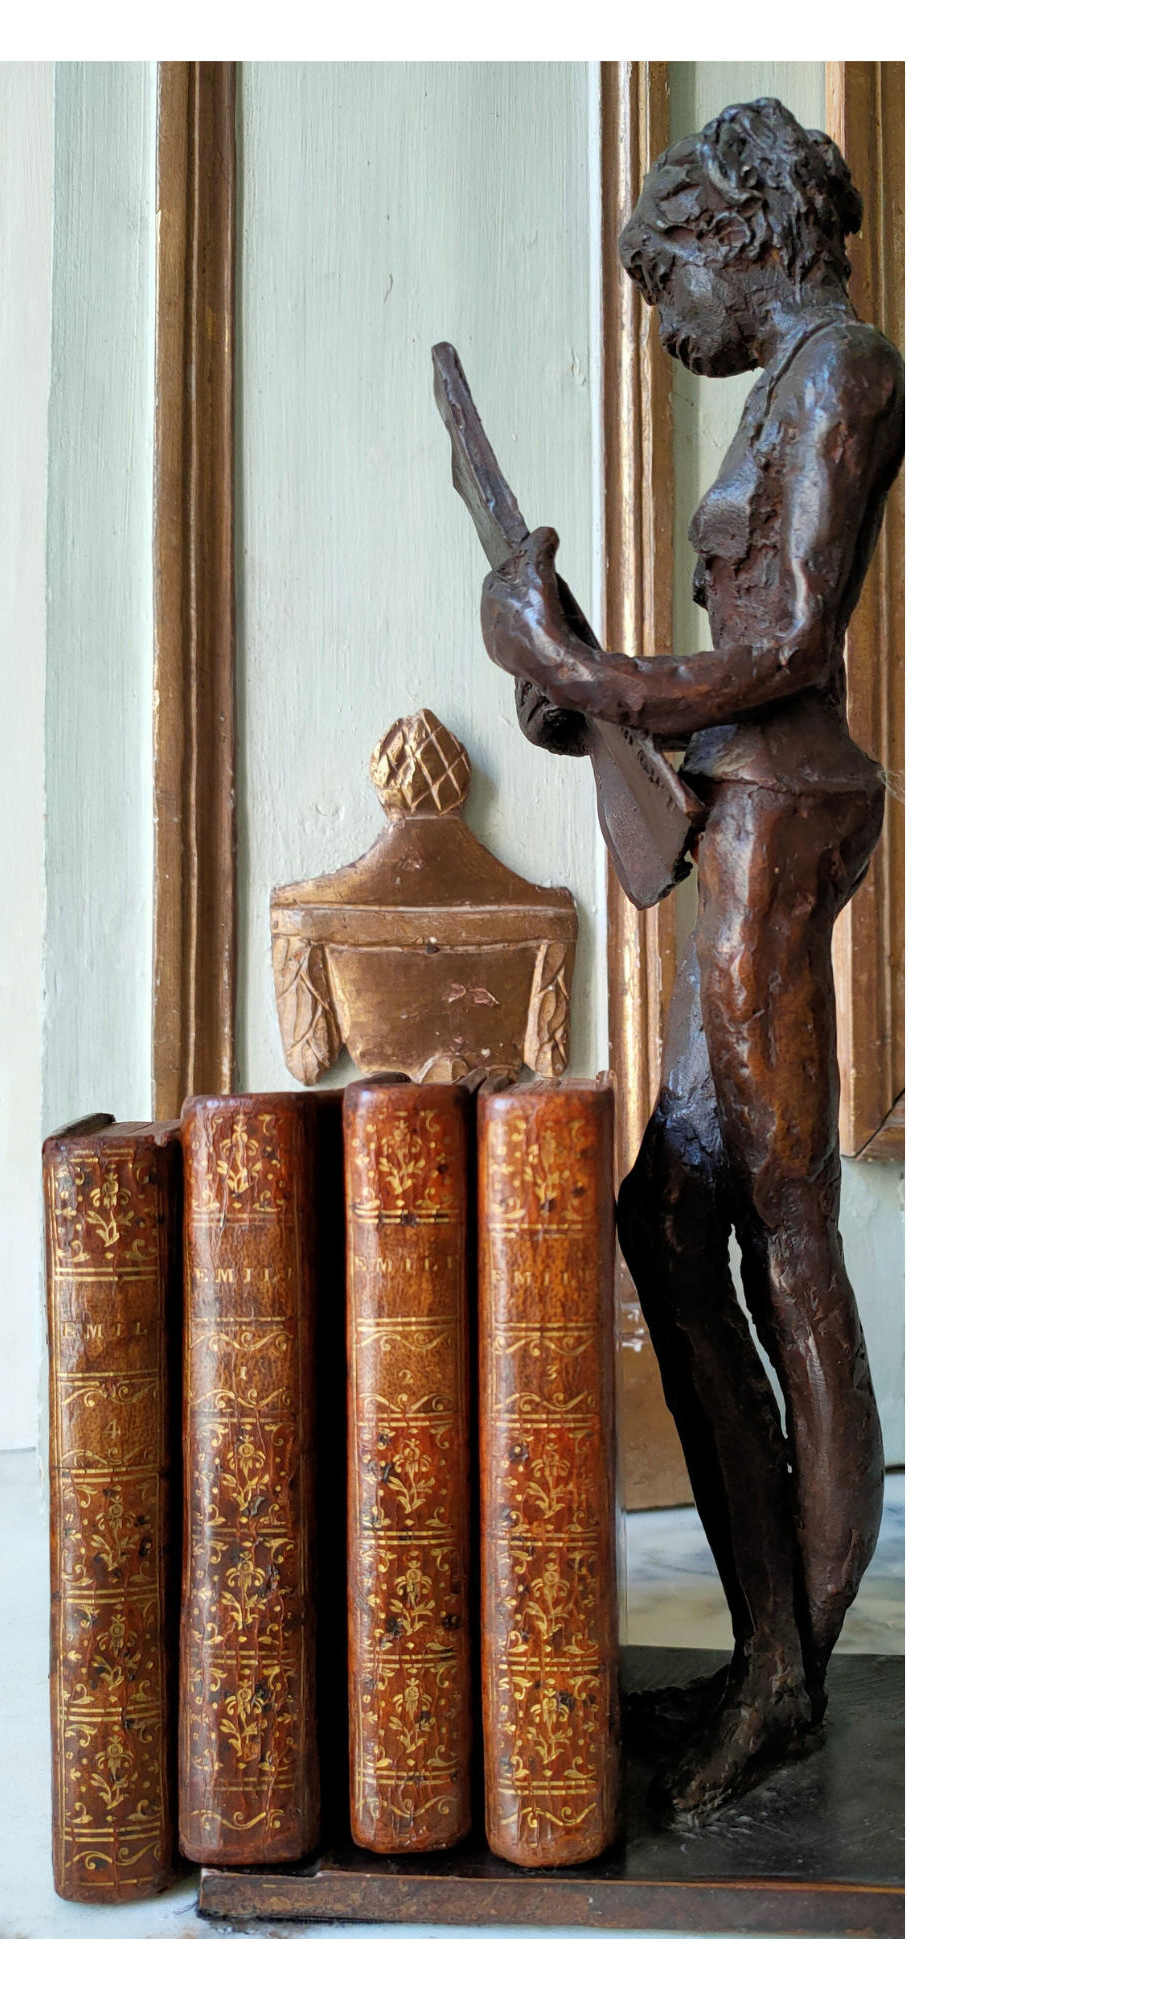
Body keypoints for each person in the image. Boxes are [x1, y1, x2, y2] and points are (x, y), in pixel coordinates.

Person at [478, 97, 904, 1818]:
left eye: (668, 285)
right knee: (669, 1217)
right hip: (730, 809)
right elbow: (726, 671)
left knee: (787, 1230)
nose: (666, 327)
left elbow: (792, 642)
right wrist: (586, 699)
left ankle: (787, 1686)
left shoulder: (844, 372)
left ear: (738, 232)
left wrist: (593, 679)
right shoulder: (786, 383)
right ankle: (763, 1659)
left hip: (783, 817)